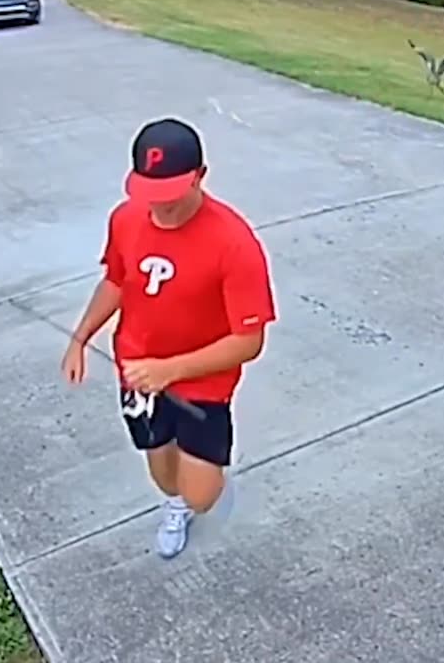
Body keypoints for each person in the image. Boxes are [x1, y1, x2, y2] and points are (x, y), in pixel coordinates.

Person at [60, 116, 277, 559]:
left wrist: (170, 370)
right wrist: (80, 337)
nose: (160, 209)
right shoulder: (124, 219)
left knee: (202, 496)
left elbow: (248, 341)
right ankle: (174, 502)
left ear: (200, 176)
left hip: (202, 386)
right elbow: (117, 282)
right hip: (137, 371)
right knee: (162, 470)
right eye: (149, 196)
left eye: (171, 197)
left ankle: (201, 485)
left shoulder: (235, 243)